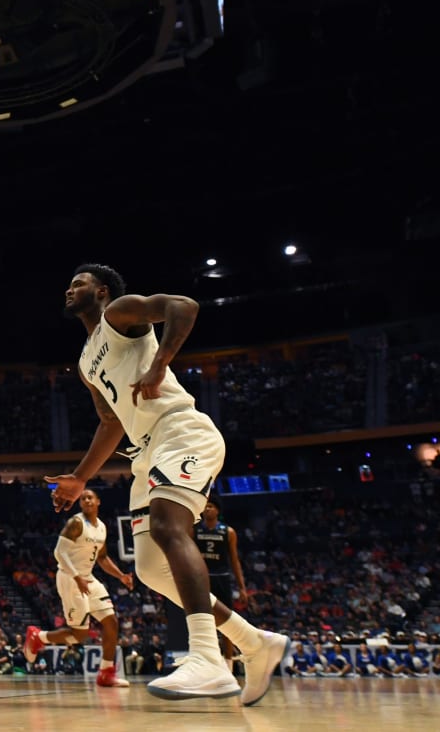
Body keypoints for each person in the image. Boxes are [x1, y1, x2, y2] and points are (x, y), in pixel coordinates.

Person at [47, 264, 289, 704]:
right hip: (145, 452)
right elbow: (108, 421)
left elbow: (184, 306)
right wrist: (81, 476)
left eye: (79, 282)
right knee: (150, 569)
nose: (70, 287)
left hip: (181, 432)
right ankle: (255, 643)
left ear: (101, 291)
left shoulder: (119, 313)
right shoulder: (85, 361)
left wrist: (160, 365)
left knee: (167, 527)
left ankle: (209, 660)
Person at [22, 488, 134, 687]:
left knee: (111, 622)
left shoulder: (101, 527)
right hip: (69, 578)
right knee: (79, 635)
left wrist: (121, 576)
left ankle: (106, 673)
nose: (87, 500)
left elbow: (102, 557)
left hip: (87, 578)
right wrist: (76, 577)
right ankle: (37, 637)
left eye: (90, 497)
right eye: (83, 498)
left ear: (98, 501)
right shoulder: (76, 523)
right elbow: (59, 553)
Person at [195, 497, 247, 668]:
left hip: (222, 577)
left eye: (210, 506)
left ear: (217, 510)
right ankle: (207, 663)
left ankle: (229, 663)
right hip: (202, 578)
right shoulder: (194, 530)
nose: (207, 509)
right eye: (205, 507)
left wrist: (242, 587)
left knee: (226, 621)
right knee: (204, 621)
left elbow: (234, 560)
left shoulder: (228, 532)